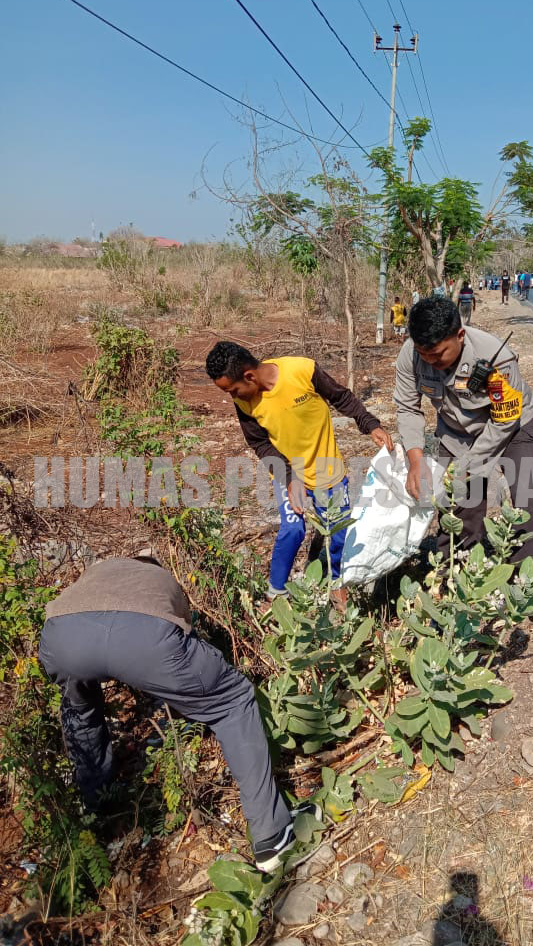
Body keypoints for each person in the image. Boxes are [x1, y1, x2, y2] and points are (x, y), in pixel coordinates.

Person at [38, 555, 320, 872]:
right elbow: (181, 651)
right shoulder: (163, 581)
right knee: (232, 700)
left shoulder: (99, 570)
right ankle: (272, 835)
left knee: (81, 708)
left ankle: (96, 805)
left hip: (60, 638)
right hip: (144, 636)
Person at [394, 297, 533, 630]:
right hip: (457, 430)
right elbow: (407, 407)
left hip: (512, 425)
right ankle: (453, 579)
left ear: (459, 335)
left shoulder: (495, 357)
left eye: (438, 354)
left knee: (527, 487)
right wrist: (416, 458)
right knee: (459, 504)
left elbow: (504, 421)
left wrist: (469, 466)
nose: (430, 361)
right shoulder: (411, 355)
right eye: (424, 353)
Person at [205, 342, 393, 604]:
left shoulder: (302, 370)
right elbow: (259, 443)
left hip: (326, 466)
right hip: (287, 470)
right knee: (293, 529)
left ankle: (336, 582)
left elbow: (341, 397)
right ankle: (276, 591)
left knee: (337, 530)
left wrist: (370, 424)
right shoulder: (245, 402)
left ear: (249, 376)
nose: (232, 396)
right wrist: (290, 478)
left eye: (232, 389)